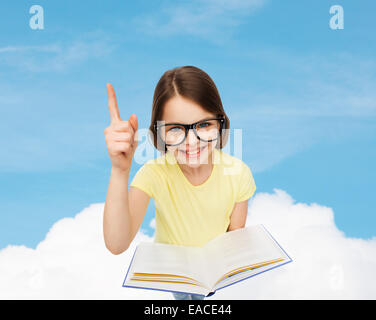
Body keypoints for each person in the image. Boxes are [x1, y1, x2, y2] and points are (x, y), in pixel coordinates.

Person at [103, 66, 256, 300]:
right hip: (174, 275)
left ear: (220, 123)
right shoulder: (153, 174)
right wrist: (119, 170)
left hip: (212, 277)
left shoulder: (238, 174)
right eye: (175, 129)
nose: (191, 141)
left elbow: (234, 236)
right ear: (158, 133)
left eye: (204, 125)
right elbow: (116, 243)